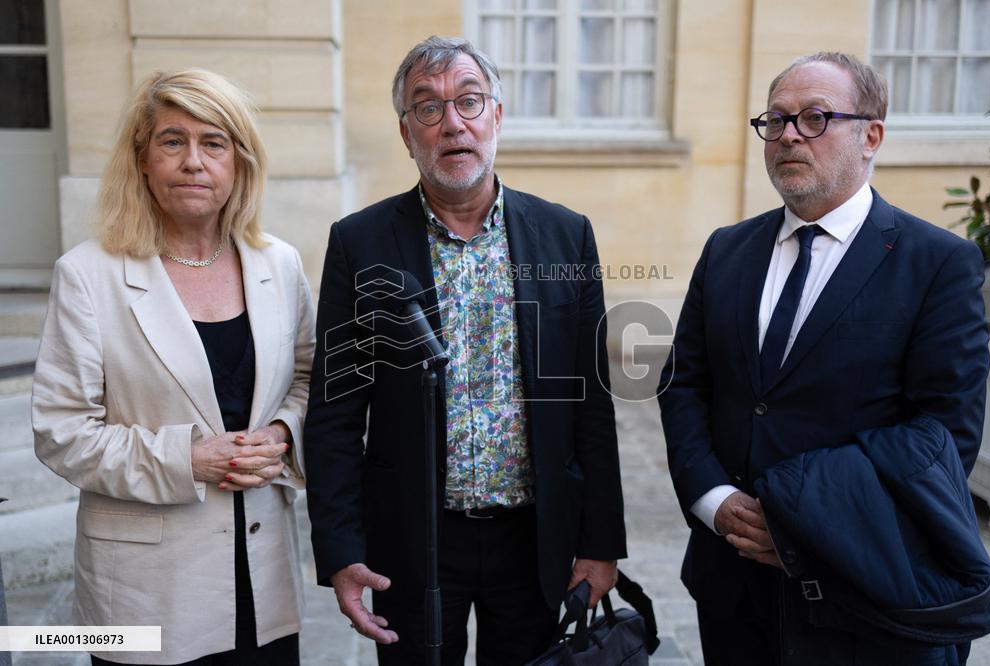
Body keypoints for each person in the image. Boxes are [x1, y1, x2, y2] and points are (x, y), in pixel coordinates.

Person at [659, 52, 990, 665]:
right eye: (776, 120)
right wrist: (711, 499)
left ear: (872, 136)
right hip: (733, 586)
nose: (788, 135)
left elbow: (942, 436)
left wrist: (798, 523)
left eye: (814, 118)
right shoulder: (728, 250)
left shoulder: (936, 263)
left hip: (863, 593)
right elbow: (685, 385)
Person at [303, 36, 627, 664]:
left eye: (469, 102)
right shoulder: (359, 243)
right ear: (406, 133)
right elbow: (335, 414)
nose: (452, 122)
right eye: (428, 107)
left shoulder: (566, 235)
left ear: (496, 118)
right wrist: (341, 551)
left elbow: (591, 404)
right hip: (414, 540)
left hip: (535, 539)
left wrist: (601, 542)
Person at [31, 69, 315, 665]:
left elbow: (312, 378)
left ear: (240, 163)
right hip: (142, 593)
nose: (193, 161)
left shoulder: (280, 263)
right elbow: (62, 432)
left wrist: (284, 433)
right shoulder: (87, 275)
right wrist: (184, 458)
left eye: (214, 143)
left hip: (261, 580)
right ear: (142, 159)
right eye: (172, 141)